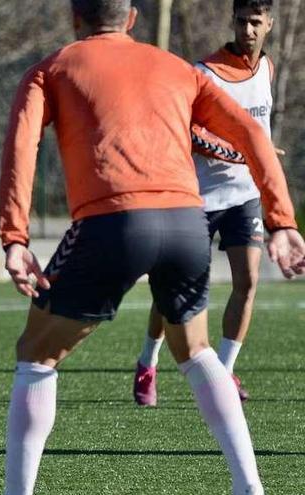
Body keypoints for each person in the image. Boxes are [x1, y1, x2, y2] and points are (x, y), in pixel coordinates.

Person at [0, 1, 305, 494]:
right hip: (187, 222)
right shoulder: (177, 68)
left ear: (75, 18)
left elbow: (20, 147)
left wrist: (15, 238)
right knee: (197, 350)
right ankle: (250, 487)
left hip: (112, 223)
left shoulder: (51, 68)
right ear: (133, 19)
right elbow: (251, 133)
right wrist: (282, 219)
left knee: (36, 354)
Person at [134, 0, 276, 406]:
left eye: (256, 22)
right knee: (174, 290)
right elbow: (191, 131)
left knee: (247, 282)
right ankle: (147, 362)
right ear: (232, 22)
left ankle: (225, 372)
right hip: (198, 195)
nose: (248, 29)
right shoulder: (205, 72)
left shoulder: (266, 68)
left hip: (244, 196)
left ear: (269, 24)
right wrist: (243, 152)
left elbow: (258, 128)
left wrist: (263, 152)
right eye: (241, 21)